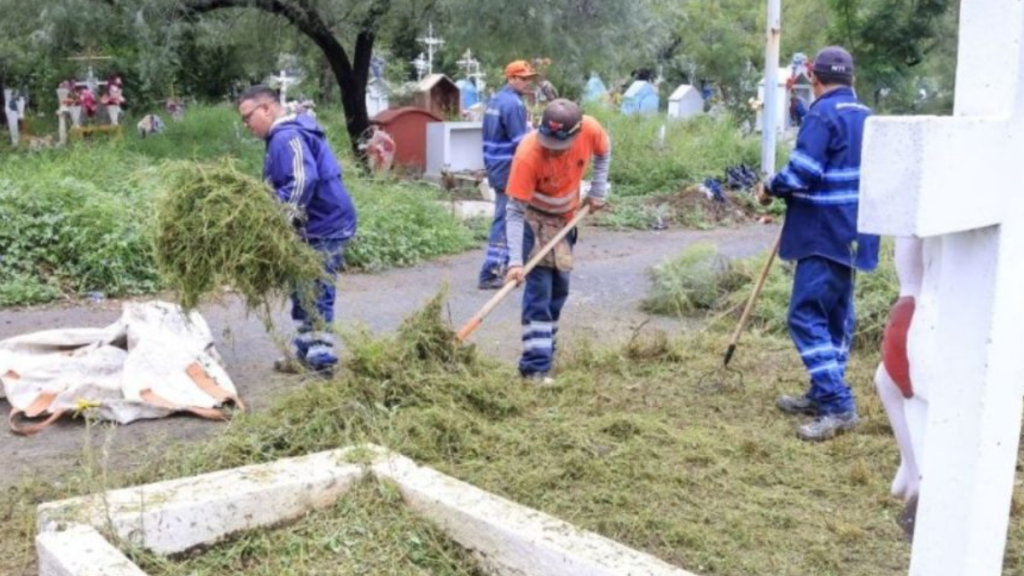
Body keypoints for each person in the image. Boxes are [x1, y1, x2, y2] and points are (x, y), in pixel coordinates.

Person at [757, 46, 879, 441]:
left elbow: (803, 172)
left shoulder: (821, 114)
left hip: (822, 232)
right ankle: (822, 389)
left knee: (805, 315)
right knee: (836, 317)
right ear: (853, 79)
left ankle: (837, 403)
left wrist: (770, 187)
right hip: (857, 233)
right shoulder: (868, 117)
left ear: (814, 78)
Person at [237, 85, 357, 376]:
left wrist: (279, 223)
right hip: (310, 225)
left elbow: (303, 180)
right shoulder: (282, 137)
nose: (246, 125)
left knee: (315, 288)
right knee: (301, 287)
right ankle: (305, 351)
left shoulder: (286, 135)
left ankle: (321, 358)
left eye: (247, 117)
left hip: (324, 224)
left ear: (266, 109)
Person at [504, 99, 610, 383]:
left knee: (558, 292)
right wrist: (515, 261)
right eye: (547, 142)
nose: (551, 149)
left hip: (565, 222)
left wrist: (598, 189)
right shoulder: (528, 154)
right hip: (533, 222)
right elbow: (514, 212)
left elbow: (604, 152)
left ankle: (546, 354)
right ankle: (535, 368)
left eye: (558, 144)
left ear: (576, 133)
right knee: (539, 293)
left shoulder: (590, 129)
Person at [477, 60, 537, 289]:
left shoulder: (495, 100)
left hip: (494, 165)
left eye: (527, 78)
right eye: (522, 78)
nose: (525, 82)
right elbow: (520, 143)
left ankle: (512, 265)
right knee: (506, 218)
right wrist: (533, 134)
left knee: (506, 217)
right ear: (510, 77)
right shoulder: (513, 104)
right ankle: (491, 272)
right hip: (508, 168)